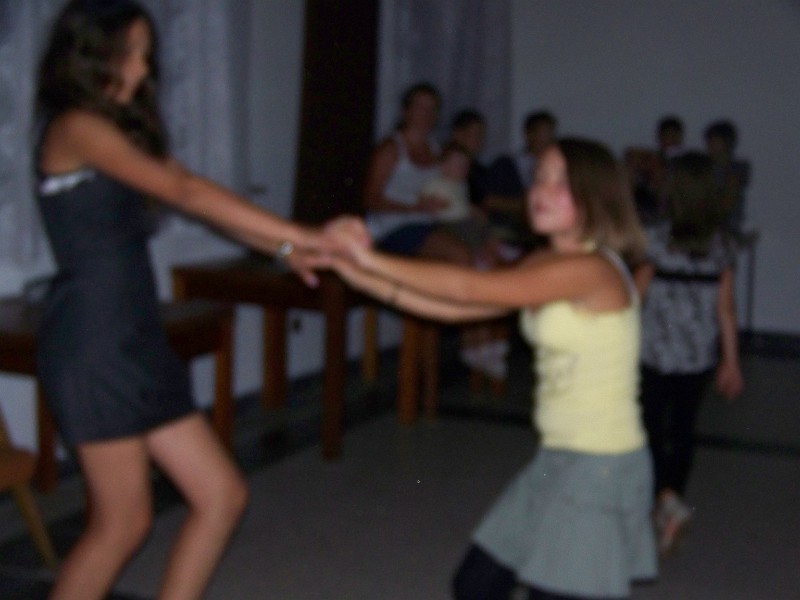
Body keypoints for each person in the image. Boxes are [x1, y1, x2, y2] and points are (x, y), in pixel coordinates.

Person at [33, 2, 366, 599]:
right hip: (93, 343)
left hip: (132, 336)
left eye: (145, 55)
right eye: (128, 54)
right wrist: (307, 235)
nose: (141, 69)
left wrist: (284, 249)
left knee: (221, 495)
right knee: (122, 524)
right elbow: (187, 192)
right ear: (88, 54)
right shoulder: (75, 126)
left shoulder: (116, 132)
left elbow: (202, 201)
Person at [332, 137, 657, 599]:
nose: (541, 191)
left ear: (595, 196)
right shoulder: (545, 261)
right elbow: (460, 308)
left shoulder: (593, 270)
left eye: (560, 182)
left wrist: (368, 257)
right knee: (476, 585)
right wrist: (359, 275)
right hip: (556, 458)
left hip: (599, 467)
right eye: (539, 178)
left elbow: (468, 289)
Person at [635, 152, 745, 555]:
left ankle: (664, 498)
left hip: (653, 352)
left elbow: (635, 296)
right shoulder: (721, 245)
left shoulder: (655, 239)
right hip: (696, 356)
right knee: (683, 430)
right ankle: (673, 500)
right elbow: (725, 308)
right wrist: (731, 361)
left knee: (649, 427)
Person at [363, 82, 471, 264]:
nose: (426, 114)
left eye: (432, 108)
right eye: (420, 107)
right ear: (406, 111)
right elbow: (369, 199)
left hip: (431, 224)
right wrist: (414, 207)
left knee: (480, 247)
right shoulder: (391, 149)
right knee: (459, 254)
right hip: (394, 227)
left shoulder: (437, 150)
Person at [483, 110, 557, 242]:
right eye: (542, 133)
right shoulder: (505, 164)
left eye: (550, 134)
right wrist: (525, 206)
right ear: (529, 134)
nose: (546, 139)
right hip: (508, 231)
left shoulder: (555, 169)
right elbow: (489, 200)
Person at [703, 119, 750, 235]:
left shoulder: (737, 169)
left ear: (727, 143)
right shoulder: (702, 167)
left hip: (726, 227)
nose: (711, 145)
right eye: (709, 141)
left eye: (715, 141)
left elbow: (728, 201)